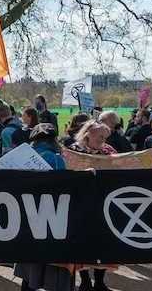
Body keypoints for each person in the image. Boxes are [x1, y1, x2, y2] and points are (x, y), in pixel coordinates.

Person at [13, 124, 70, 291]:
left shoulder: (19, 158)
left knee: (30, 264)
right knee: (52, 266)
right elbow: (62, 187)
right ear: (54, 140)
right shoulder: (56, 158)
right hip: (50, 216)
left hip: (25, 214)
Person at [66, 121, 117, 290]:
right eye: (100, 136)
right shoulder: (73, 150)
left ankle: (100, 281)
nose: (102, 140)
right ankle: (85, 280)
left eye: (105, 137)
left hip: (103, 202)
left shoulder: (108, 151)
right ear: (88, 133)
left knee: (102, 242)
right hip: (80, 203)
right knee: (83, 242)